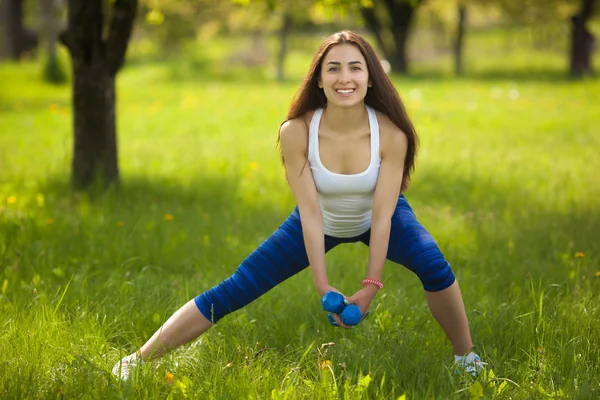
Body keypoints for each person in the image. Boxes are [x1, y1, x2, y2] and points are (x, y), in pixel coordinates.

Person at [112, 30, 485, 380]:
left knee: (434, 264)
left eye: (356, 68)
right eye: (333, 68)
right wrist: (322, 285)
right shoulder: (296, 131)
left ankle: (465, 357)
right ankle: (136, 362)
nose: (345, 78)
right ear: (319, 80)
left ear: (371, 79)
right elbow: (310, 212)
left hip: (379, 217)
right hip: (318, 219)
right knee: (239, 286)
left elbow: (383, 214)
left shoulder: (391, 134)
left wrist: (370, 287)